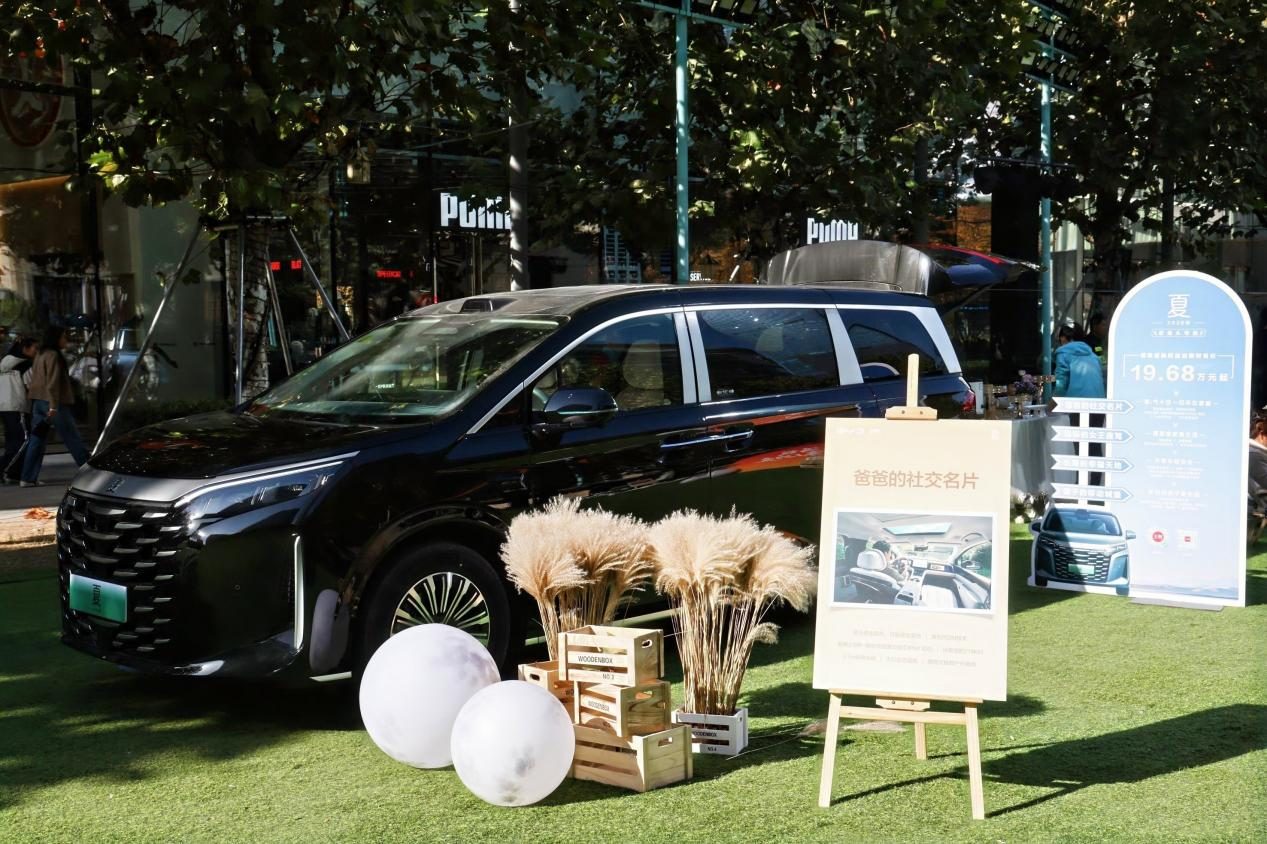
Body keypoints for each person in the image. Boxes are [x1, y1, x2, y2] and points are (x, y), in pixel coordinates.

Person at [21, 325, 89, 487]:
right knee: (72, 437)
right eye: (64, 336)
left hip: (38, 401)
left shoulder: (40, 354)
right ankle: (91, 472)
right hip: (52, 402)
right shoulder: (53, 355)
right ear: (56, 338)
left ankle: (27, 477)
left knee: (37, 439)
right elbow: (52, 382)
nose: (66, 339)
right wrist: (53, 406)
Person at [0, 337, 37, 483]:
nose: (36, 351)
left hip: (4, 406)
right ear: (25, 349)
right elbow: (31, 386)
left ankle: (13, 474)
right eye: (34, 348)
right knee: (24, 440)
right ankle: (5, 470)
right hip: (18, 406)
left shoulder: (4, 364)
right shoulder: (26, 365)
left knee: (13, 441)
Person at [1054, 324, 1105, 398]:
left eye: (1058, 339)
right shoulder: (1093, 356)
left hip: (1077, 403)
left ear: (1063, 338)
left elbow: (1061, 386)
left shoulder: (1063, 354)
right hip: (1099, 401)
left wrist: (1051, 403)